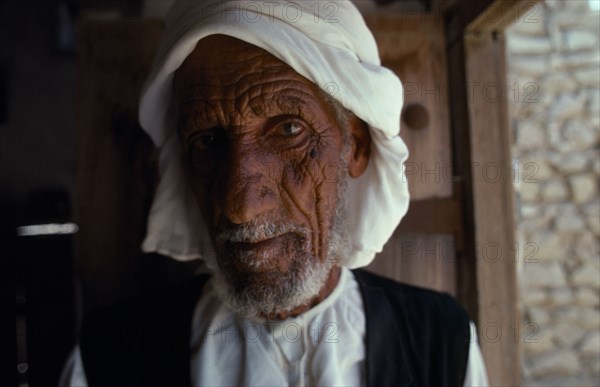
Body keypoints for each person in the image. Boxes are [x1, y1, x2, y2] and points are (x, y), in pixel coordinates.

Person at [61, 1, 489, 386]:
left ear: (355, 146)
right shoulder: (107, 360)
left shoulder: (441, 343)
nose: (241, 207)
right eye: (207, 142)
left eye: (289, 130)